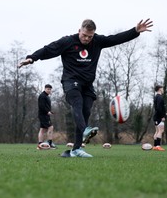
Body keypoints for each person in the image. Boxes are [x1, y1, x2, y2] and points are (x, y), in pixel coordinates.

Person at [19, 18, 153, 157]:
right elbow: (49, 49)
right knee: (77, 102)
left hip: (87, 85)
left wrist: (135, 31)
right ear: (79, 31)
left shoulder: (97, 41)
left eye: (90, 36)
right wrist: (32, 58)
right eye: (84, 35)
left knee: (85, 112)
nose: (87, 38)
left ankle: (76, 149)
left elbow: (115, 39)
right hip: (71, 82)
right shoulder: (68, 41)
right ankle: (85, 131)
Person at [37, 84, 56, 149]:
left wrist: (50, 111)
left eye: (50, 89)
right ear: (45, 89)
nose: (49, 90)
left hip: (44, 115)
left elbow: (46, 106)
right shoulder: (42, 96)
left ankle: (40, 144)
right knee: (50, 127)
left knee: (42, 129)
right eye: (48, 89)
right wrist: (47, 112)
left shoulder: (46, 96)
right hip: (43, 115)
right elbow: (41, 106)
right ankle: (50, 143)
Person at [153, 85, 167, 151]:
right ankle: (158, 146)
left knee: (157, 131)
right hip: (159, 117)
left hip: (156, 116)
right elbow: (159, 108)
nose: (163, 89)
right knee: (160, 130)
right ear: (159, 89)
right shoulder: (160, 97)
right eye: (162, 88)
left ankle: (155, 146)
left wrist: (165, 113)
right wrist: (163, 116)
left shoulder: (156, 97)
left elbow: (158, 108)